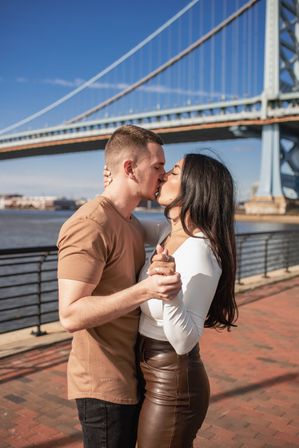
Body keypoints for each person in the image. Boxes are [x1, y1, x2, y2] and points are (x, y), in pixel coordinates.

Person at [57, 125, 181, 448]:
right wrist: (148, 290)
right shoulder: (89, 225)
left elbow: (178, 228)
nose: (164, 175)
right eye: (157, 167)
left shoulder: (130, 222)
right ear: (129, 168)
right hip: (102, 388)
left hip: (130, 377)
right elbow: (70, 315)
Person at [135, 153, 238, 447]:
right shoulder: (168, 231)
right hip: (146, 367)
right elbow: (124, 222)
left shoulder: (202, 250)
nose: (164, 174)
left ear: (195, 187)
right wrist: (121, 181)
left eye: (175, 171)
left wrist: (171, 292)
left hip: (173, 380)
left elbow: (184, 341)